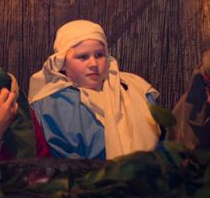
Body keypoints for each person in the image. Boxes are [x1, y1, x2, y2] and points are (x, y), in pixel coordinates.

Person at [28, 19, 161, 159]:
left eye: (99, 55)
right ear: (62, 63)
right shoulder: (52, 104)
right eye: (83, 57)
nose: (93, 64)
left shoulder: (135, 89)